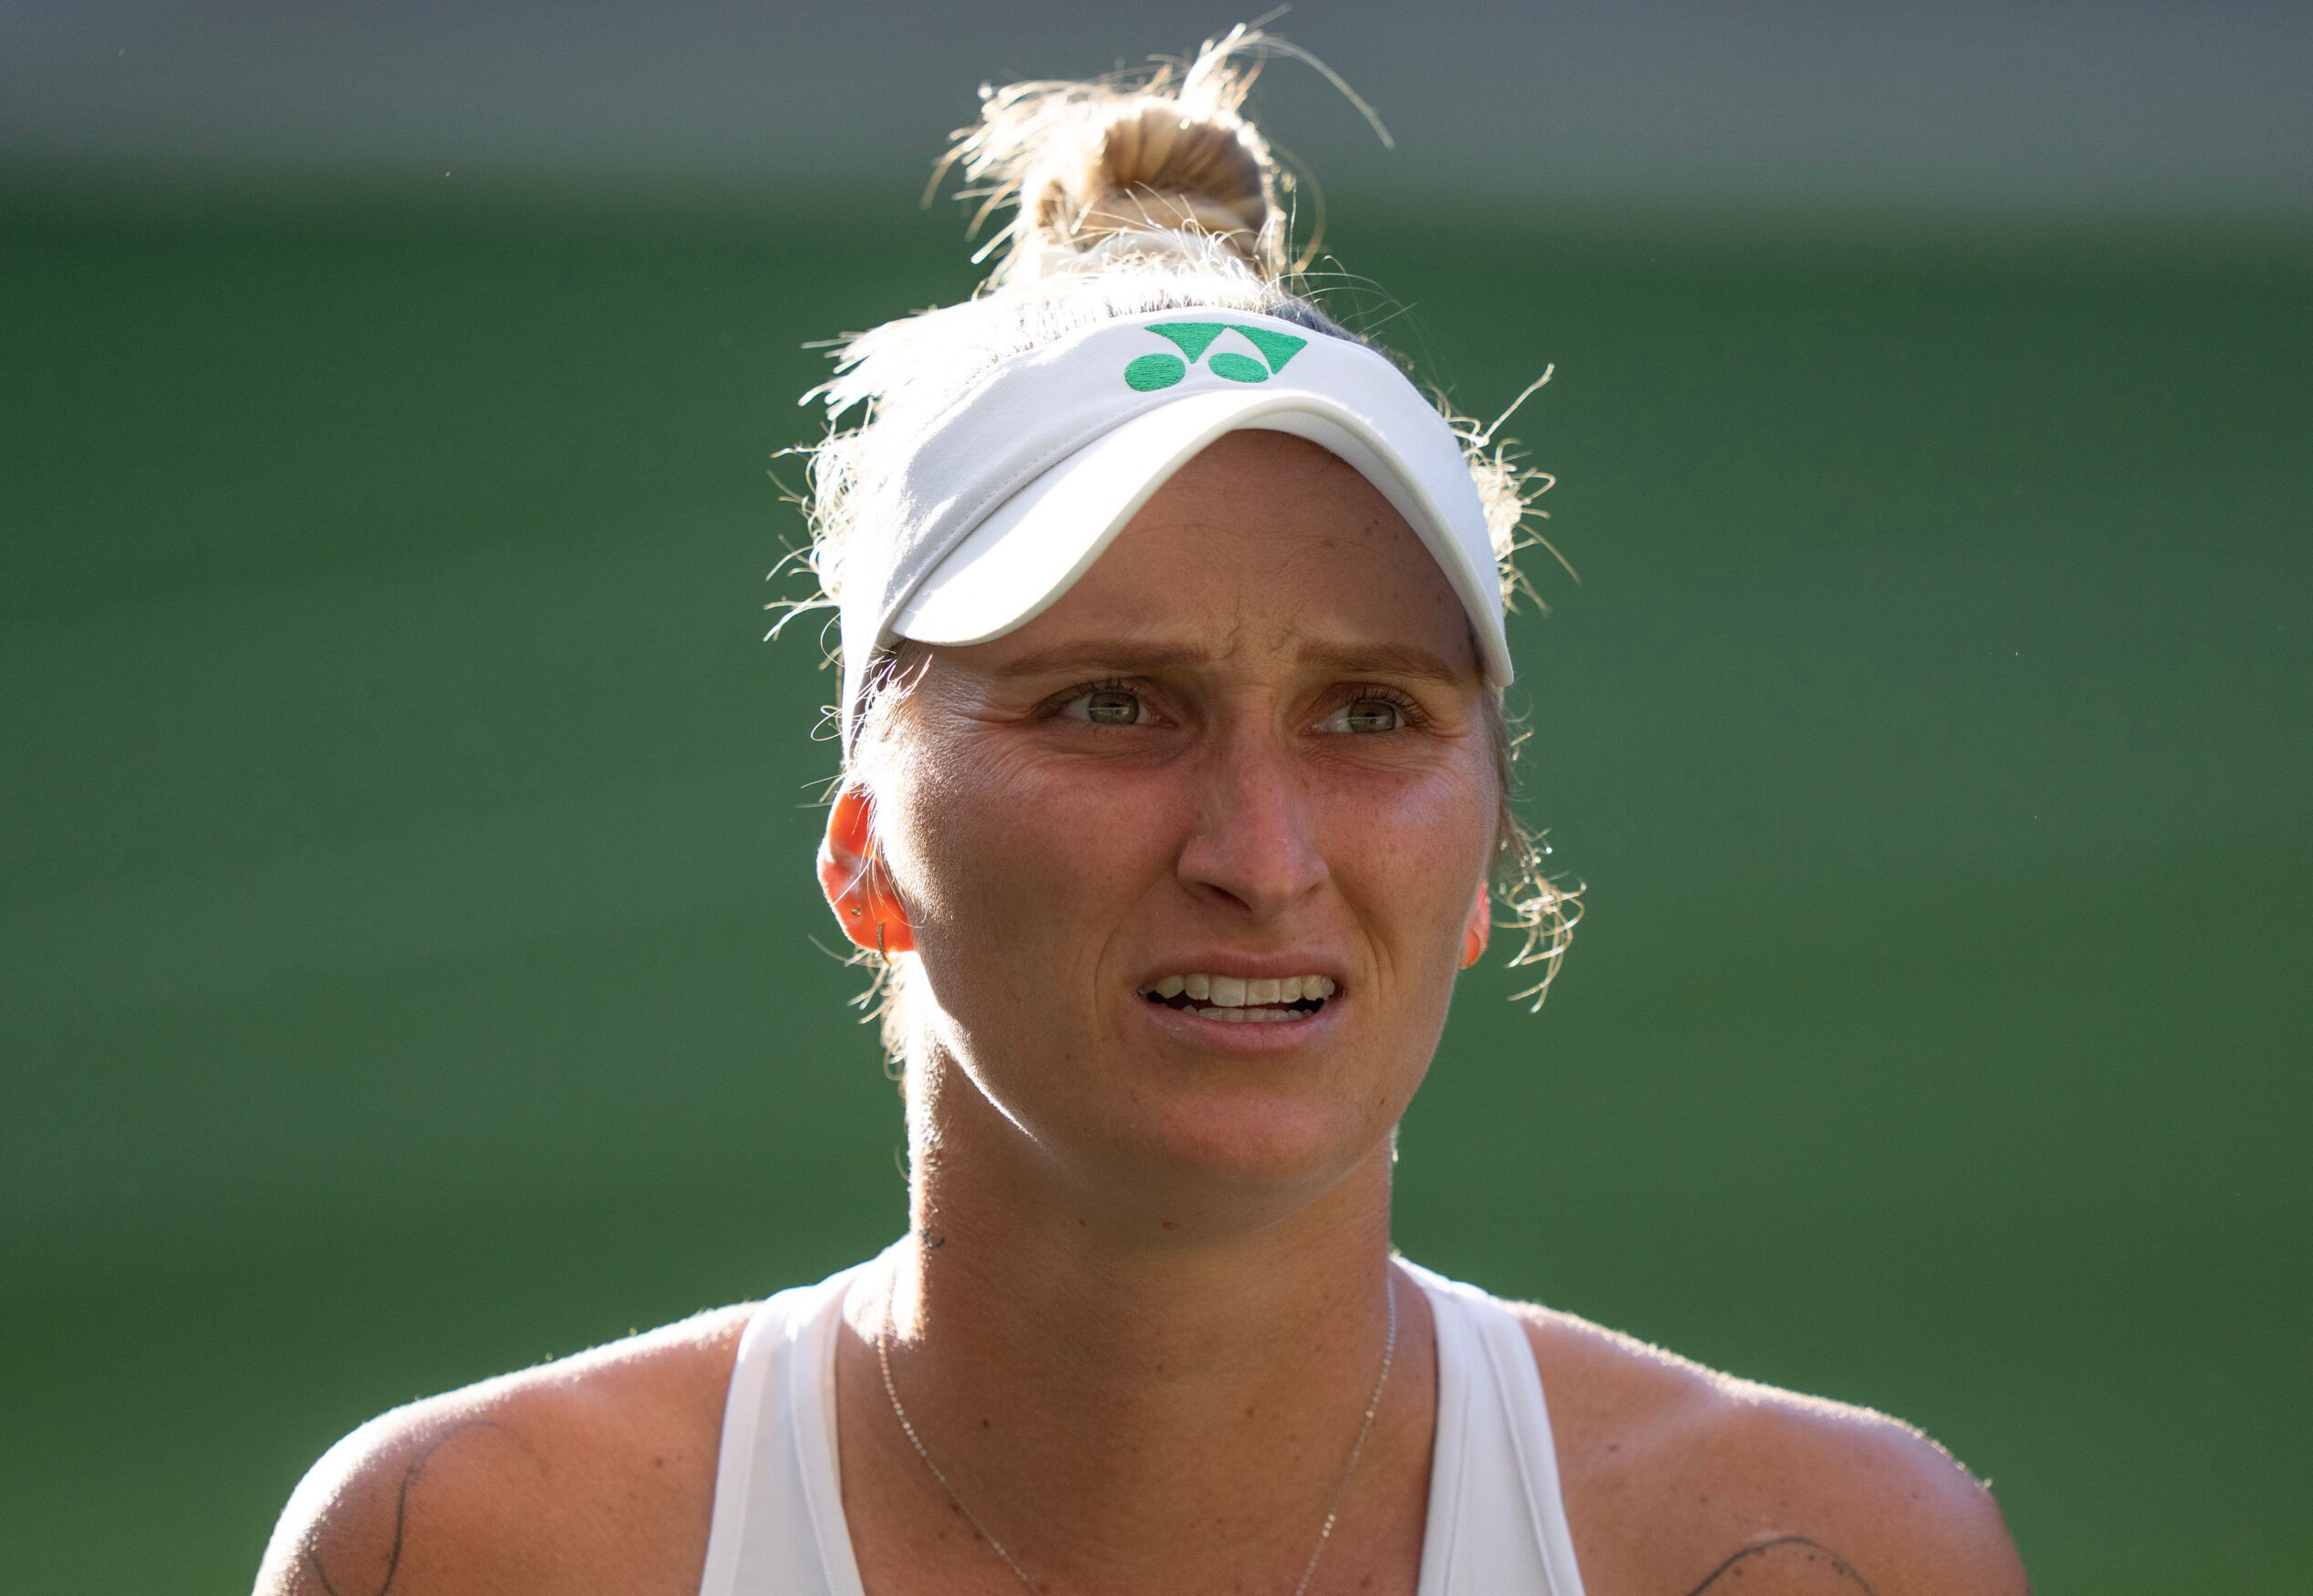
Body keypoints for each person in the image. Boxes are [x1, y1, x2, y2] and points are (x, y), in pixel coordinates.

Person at [256, 26, 2028, 1596]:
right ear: (863, 840)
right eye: (1109, 704)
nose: (1258, 855)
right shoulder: (483, 1549)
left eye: (1366, 712)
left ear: (1486, 853)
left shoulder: (1826, 1554)